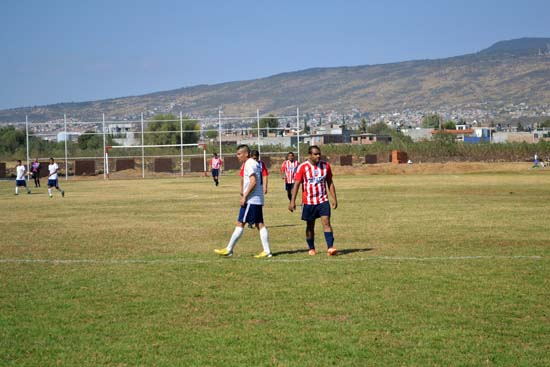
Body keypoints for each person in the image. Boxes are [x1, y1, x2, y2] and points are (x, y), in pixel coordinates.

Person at [215, 144, 272, 258]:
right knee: (259, 224)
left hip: (251, 200)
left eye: (239, 154)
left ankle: (229, 249)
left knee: (241, 223)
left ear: (246, 154)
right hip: (257, 199)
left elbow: (253, 181)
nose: (238, 156)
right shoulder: (255, 163)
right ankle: (267, 251)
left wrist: (244, 196)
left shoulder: (249, 163)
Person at [289, 145, 338, 256]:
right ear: (310, 155)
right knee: (310, 226)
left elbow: (329, 182)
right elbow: (296, 184)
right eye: (315, 154)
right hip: (309, 202)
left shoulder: (326, 166)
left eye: (319, 153)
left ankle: (330, 247)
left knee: (326, 222)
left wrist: (334, 198)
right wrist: (292, 201)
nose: (318, 156)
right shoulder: (303, 167)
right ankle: (311, 248)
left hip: (323, 200)